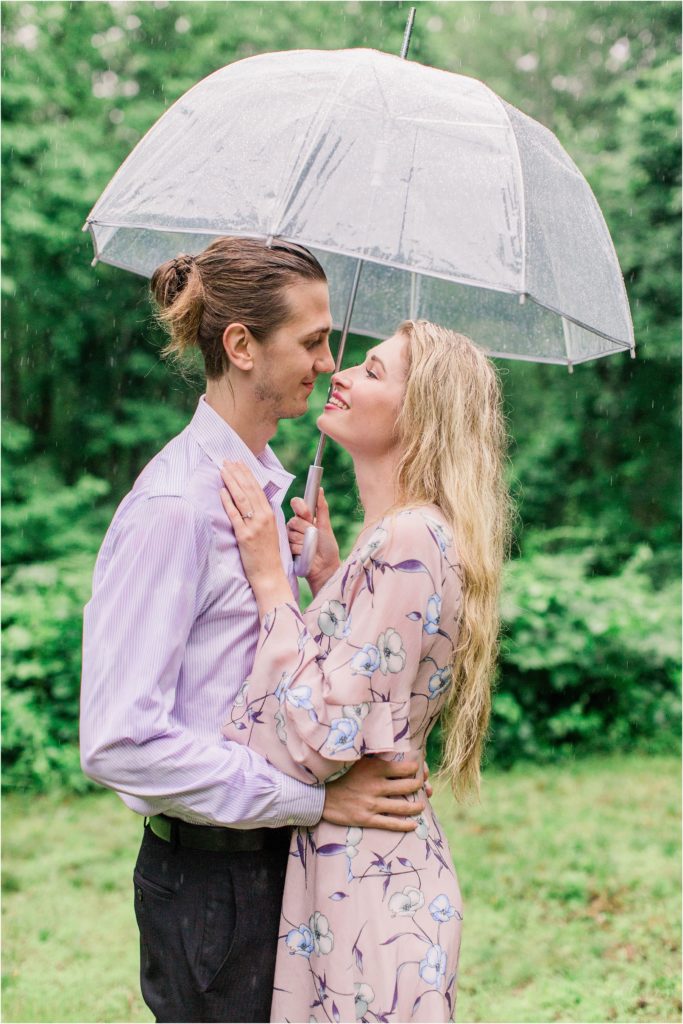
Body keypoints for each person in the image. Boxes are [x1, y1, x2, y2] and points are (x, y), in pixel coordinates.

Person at [79, 237, 428, 1024]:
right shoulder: (175, 509)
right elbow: (118, 740)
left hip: (282, 866)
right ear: (241, 346)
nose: (328, 362)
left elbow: (270, 688)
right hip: (214, 887)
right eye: (310, 341)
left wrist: (322, 584)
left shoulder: (266, 497)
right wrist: (310, 802)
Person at [219, 318, 512, 1023]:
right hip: (362, 876)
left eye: (372, 372)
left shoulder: (408, 537)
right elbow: (369, 685)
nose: (338, 374)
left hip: (370, 890)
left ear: (421, 414)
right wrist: (330, 575)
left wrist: (271, 585)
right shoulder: (399, 538)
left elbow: (323, 740)